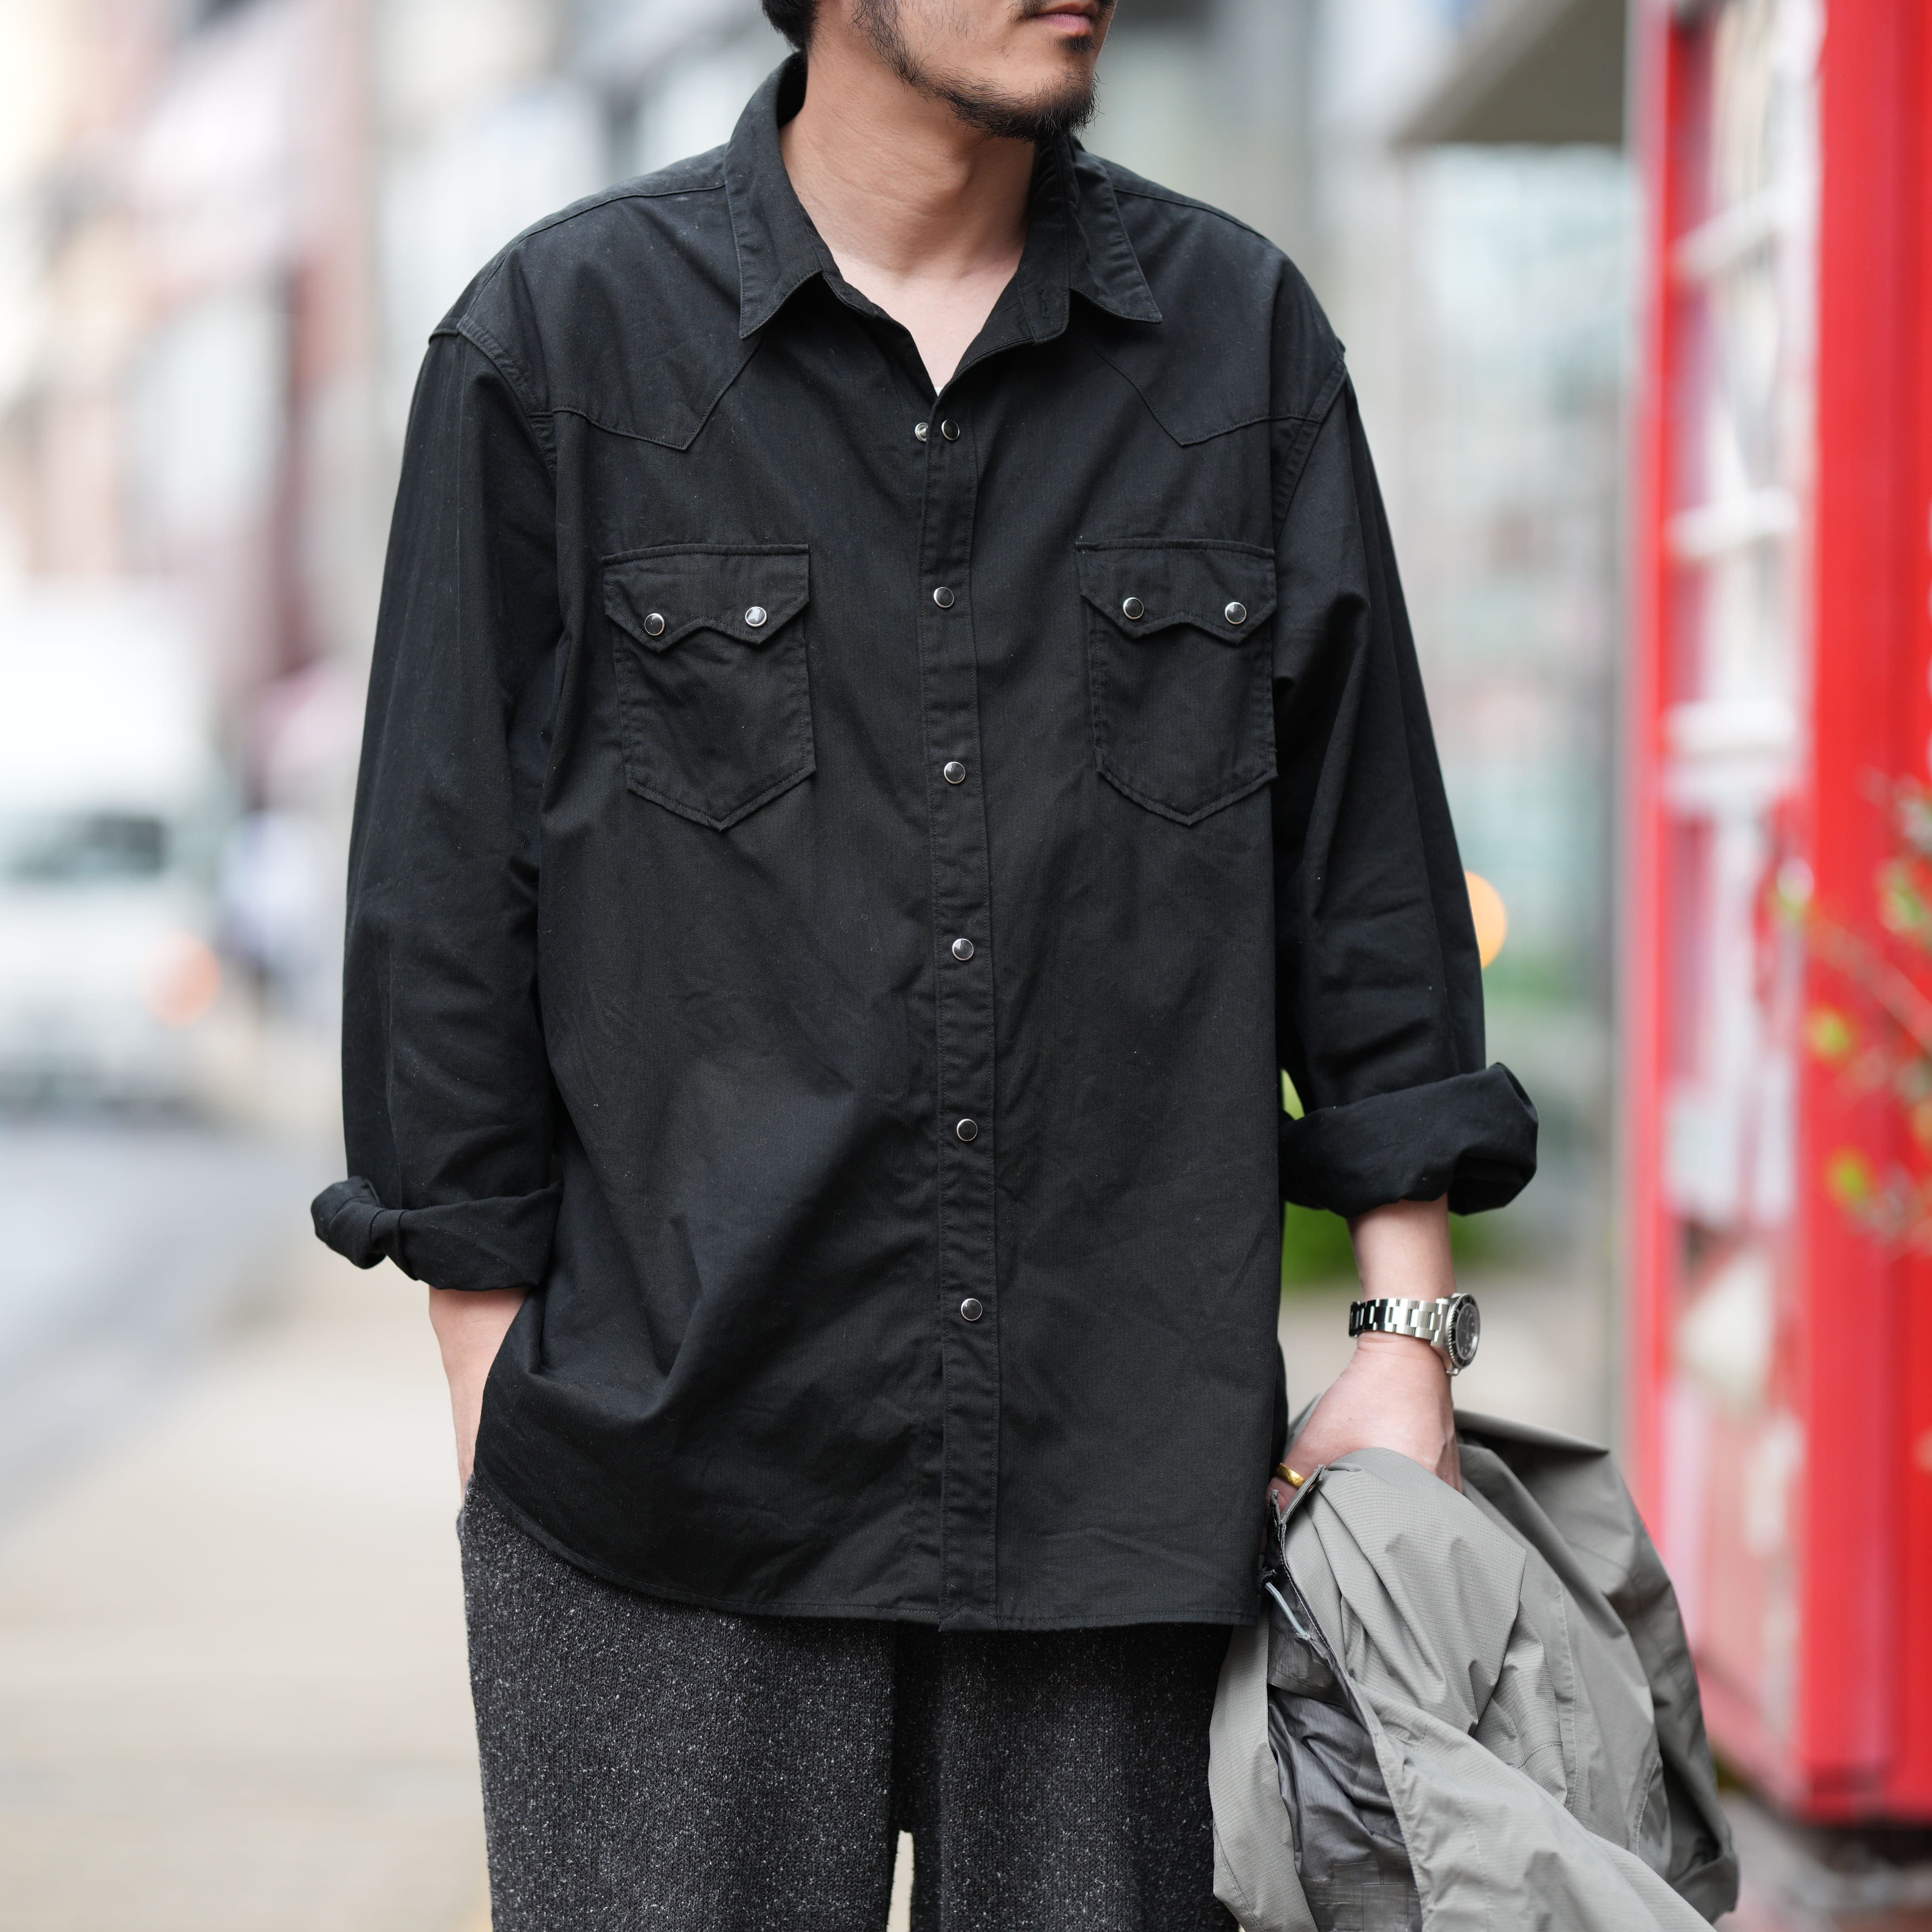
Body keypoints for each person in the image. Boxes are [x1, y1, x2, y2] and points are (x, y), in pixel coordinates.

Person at [311, 1, 1537, 1925]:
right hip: (665, 1494)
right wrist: (497, 1390)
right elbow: (442, 906)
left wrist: (1406, 1339)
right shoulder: (555, 348)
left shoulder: (1241, 343)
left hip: (1120, 1495)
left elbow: (1362, 871)